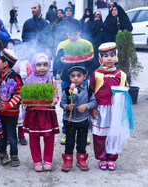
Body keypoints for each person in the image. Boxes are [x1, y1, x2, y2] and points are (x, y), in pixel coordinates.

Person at [54, 19, 93, 144]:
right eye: (70, 34)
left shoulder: (87, 44)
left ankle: (84, 132)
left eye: (75, 34)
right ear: (66, 33)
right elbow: (56, 62)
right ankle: (66, 132)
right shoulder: (62, 45)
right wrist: (60, 61)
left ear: (80, 31)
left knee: (84, 106)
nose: (73, 37)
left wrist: (91, 60)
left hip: (83, 80)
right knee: (68, 106)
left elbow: (91, 62)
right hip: (66, 80)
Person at [90, 42, 128, 171]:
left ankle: (111, 158)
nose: (109, 58)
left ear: (116, 56)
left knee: (114, 134)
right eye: (105, 56)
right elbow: (91, 92)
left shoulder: (121, 75)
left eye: (112, 55)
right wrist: (93, 108)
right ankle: (102, 158)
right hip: (101, 109)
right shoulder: (96, 74)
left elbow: (124, 93)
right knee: (100, 135)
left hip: (115, 109)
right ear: (100, 58)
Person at [23, 53, 59, 172]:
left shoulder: (51, 79)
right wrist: (26, 101)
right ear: (34, 65)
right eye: (38, 65)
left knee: (49, 137)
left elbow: (55, 95)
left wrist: (54, 100)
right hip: (34, 114)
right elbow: (24, 96)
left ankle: (48, 160)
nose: (42, 67)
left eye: (45, 65)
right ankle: (37, 161)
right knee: (34, 137)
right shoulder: (29, 80)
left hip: (47, 113)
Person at [60, 66, 97, 172]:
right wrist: (67, 106)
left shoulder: (89, 90)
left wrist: (86, 106)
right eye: (73, 76)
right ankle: (68, 160)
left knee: (82, 141)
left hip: (83, 120)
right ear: (69, 78)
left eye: (79, 76)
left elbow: (94, 102)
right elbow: (62, 103)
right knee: (69, 142)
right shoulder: (67, 91)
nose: (76, 78)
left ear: (84, 77)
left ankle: (81, 159)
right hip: (70, 121)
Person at [0, 49, 23, 167]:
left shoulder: (15, 77)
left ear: (5, 63)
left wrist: (7, 106)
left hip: (11, 113)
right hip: (0, 112)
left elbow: (18, 95)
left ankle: (14, 155)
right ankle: (3, 154)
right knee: (2, 135)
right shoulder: (0, 76)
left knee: (12, 135)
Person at [10, 39, 32, 145]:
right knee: (12, 116)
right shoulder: (12, 63)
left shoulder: (27, 63)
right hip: (13, 92)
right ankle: (10, 136)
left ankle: (21, 135)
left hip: (23, 92)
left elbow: (30, 74)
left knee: (21, 116)